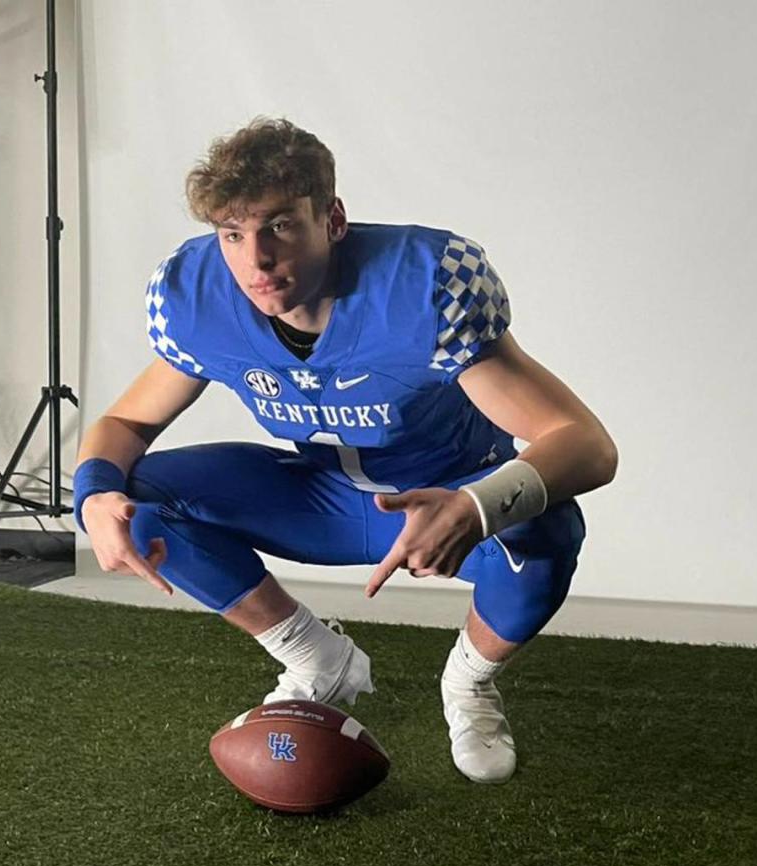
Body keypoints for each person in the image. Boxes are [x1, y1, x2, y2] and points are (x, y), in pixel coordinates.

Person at [73, 117, 618, 785]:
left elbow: (587, 445)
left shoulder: (423, 286)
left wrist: (475, 507)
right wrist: (94, 496)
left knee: (547, 526)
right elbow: (125, 422)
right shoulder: (196, 296)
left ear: (332, 220)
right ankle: (314, 658)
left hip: (442, 494)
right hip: (318, 495)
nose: (256, 260)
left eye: (280, 225)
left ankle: (469, 683)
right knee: (137, 497)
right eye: (233, 234)